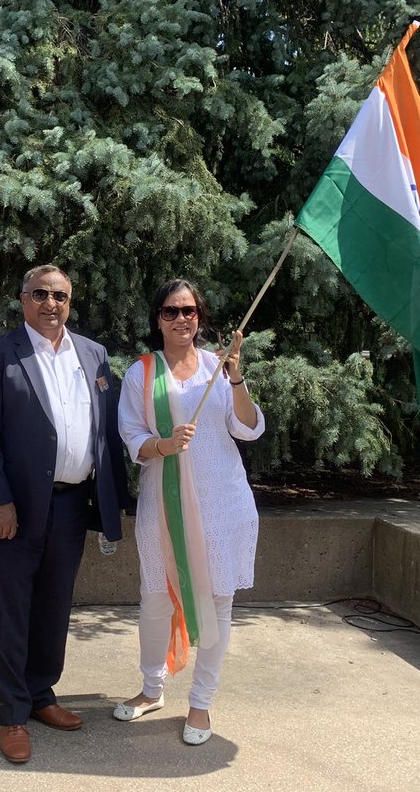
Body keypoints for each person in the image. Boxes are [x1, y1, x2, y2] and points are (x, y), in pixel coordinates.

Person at [0, 264, 129, 764]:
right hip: (14, 508)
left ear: (70, 302)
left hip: (72, 504)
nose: (50, 303)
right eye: (40, 294)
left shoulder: (93, 354)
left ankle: (40, 695)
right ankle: (11, 714)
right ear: (22, 300)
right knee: (9, 610)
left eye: (59, 296)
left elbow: (104, 429)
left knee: (54, 606)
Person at [113, 279, 263, 745]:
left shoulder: (219, 370)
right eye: (171, 311)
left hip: (223, 505)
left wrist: (235, 377)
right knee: (158, 597)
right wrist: (165, 444)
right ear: (156, 318)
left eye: (190, 310)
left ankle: (201, 704)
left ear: (201, 316)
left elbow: (249, 428)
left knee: (218, 602)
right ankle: (152, 688)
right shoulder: (141, 373)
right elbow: (132, 436)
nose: (181, 319)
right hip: (165, 505)